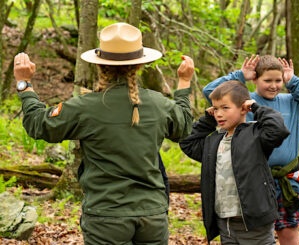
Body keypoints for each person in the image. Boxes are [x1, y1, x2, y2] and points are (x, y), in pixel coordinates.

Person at [14, 22, 195, 245]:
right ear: (139, 66)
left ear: (100, 66)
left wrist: (24, 83)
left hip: (105, 218)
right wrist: (184, 82)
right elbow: (184, 127)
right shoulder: (159, 104)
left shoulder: (84, 107)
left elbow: (37, 124)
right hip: (152, 216)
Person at [202, 55, 299, 245]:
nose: (274, 85)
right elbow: (210, 91)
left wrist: (293, 81)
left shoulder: (292, 102)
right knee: (256, 236)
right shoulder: (245, 102)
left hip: (287, 182)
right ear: (255, 79)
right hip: (254, 182)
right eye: (267, 80)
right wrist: (240, 75)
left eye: (278, 80)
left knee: (289, 232)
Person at [179, 80, 290, 244]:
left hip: (254, 223)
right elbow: (187, 142)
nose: (219, 114)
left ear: (243, 108)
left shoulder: (255, 135)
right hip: (225, 223)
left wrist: (256, 108)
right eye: (215, 109)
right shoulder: (214, 141)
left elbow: (278, 129)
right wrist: (208, 120)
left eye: (225, 108)